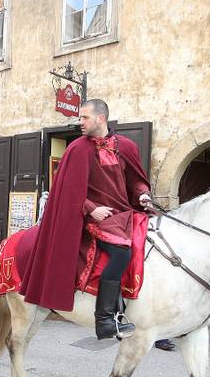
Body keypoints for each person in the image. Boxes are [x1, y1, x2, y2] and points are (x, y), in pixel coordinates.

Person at [18, 99, 152, 340]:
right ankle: (105, 320)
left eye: (84, 118)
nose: (80, 122)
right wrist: (91, 208)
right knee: (122, 252)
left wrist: (143, 194)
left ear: (101, 118)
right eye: (80, 117)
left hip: (123, 214)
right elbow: (66, 190)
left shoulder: (127, 146)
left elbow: (136, 180)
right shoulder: (77, 149)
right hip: (94, 218)